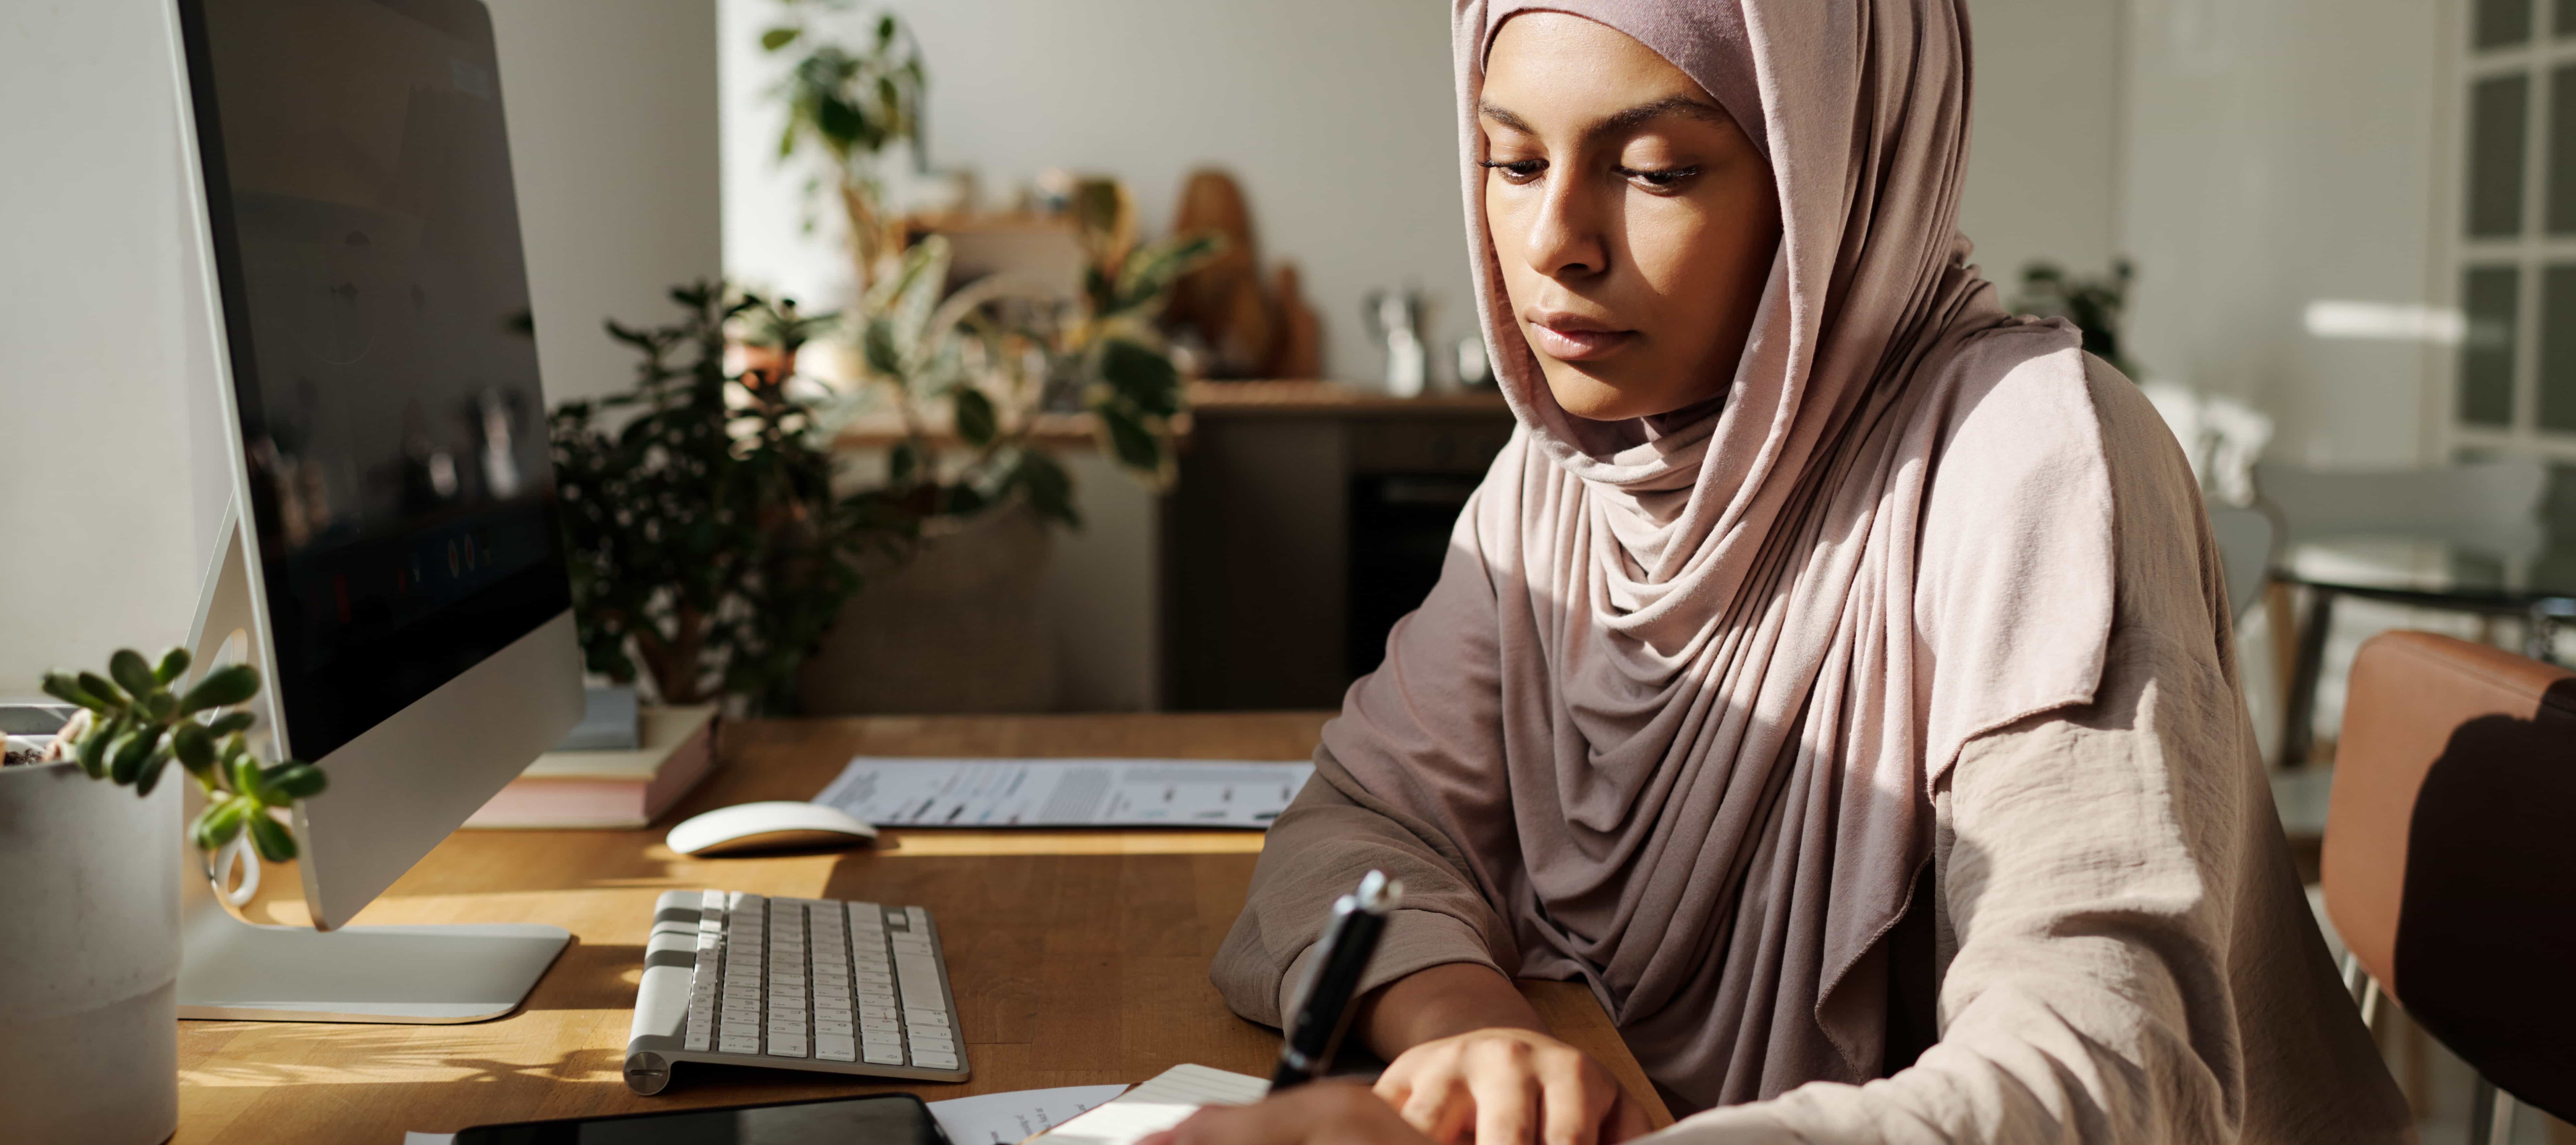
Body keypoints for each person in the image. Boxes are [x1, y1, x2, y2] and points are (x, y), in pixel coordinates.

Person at [1149, 2, 2413, 1143]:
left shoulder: (2027, 459)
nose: (1554, 242)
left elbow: (2103, 1068)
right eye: (1513, 161)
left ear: (1836, 179)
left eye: (1657, 171)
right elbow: (1357, 829)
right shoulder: (1565, 482)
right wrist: (1473, 1028)